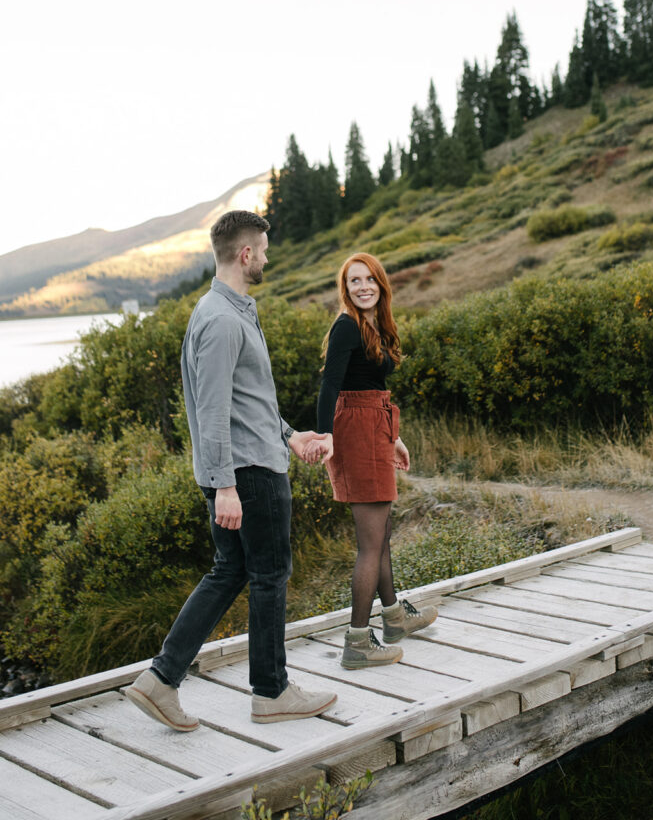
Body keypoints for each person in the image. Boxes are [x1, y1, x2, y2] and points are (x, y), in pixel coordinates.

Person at [126, 210, 336, 729]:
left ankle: (160, 680)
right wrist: (225, 487)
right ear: (245, 254)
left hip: (246, 464)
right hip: (247, 475)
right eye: (262, 249)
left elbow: (248, 401)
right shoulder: (221, 320)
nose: (266, 257)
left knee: (231, 571)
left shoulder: (226, 309)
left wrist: (291, 435)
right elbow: (213, 409)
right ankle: (272, 692)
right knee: (270, 575)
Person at [311, 252, 437, 669]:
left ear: (381, 284)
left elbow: (369, 385)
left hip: (373, 426)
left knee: (380, 535)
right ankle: (358, 642)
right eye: (353, 282)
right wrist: (327, 435)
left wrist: (394, 438)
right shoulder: (347, 326)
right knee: (371, 543)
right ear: (345, 291)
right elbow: (330, 386)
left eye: (369, 279)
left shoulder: (373, 326)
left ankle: (395, 619)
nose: (362, 286)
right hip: (357, 431)